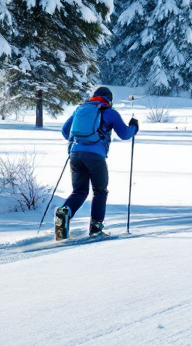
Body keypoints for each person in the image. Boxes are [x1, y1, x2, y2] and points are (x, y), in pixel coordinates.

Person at [55, 86, 139, 240]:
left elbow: (65, 131)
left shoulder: (80, 110)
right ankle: (96, 227)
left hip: (75, 155)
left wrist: (79, 141)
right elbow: (125, 134)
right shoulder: (109, 112)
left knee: (79, 191)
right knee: (100, 191)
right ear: (109, 99)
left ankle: (65, 211)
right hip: (95, 156)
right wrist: (134, 127)